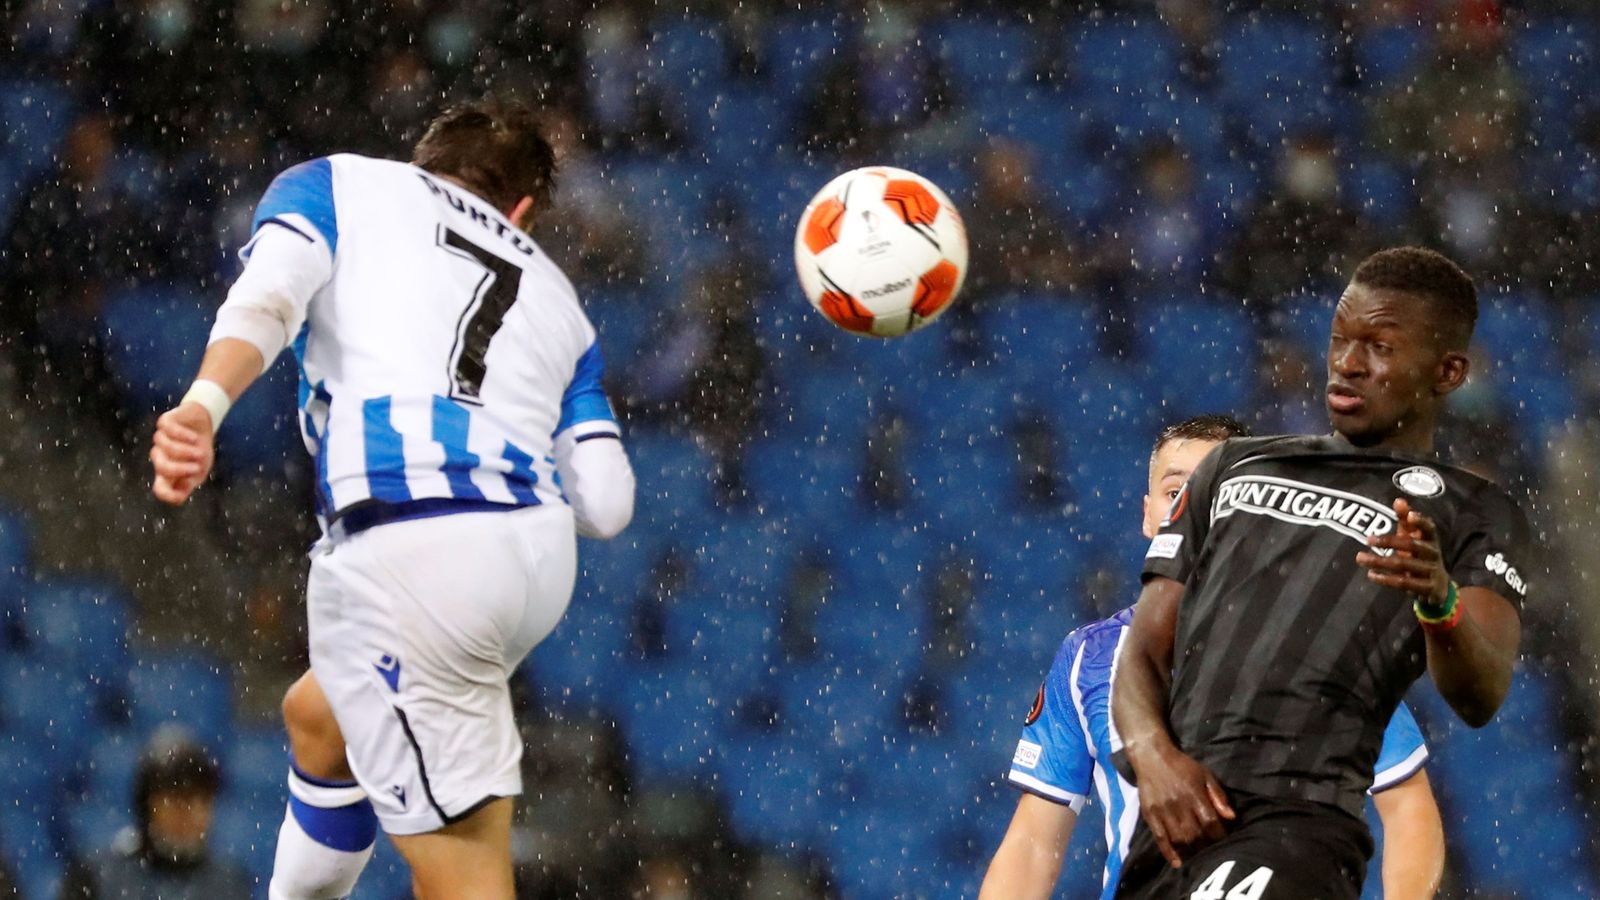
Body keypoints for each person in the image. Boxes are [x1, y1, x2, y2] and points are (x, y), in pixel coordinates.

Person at [146, 100, 636, 900]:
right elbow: (608, 503)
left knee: (462, 866)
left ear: (422, 160)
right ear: (523, 211)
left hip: (416, 538)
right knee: (322, 717)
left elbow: (267, 298)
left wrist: (203, 406)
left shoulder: (342, 186)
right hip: (533, 556)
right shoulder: (560, 303)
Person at [1112, 247, 1530, 898]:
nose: (1347, 363)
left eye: (1381, 347)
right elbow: (1142, 652)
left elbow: (1482, 693)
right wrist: (1154, 756)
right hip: (1170, 828)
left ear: (1447, 372)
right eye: (1340, 340)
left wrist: (1438, 600)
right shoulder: (1232, 467)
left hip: (1297, 825)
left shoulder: (1473, 508)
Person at [979, 415, 1445, 900]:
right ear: (1147, 515)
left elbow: (1407, 804)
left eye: (1215, 492)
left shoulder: (1320, 638)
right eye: (1175, 491)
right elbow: (1034, 842)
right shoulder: (1087, 659)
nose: (1191, 510)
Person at [60, 727, 251, 898]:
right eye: (177, 800)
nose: (190, 814)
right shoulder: (96, 877)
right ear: (147, 806)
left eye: (201, 800)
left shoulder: (230, 884)